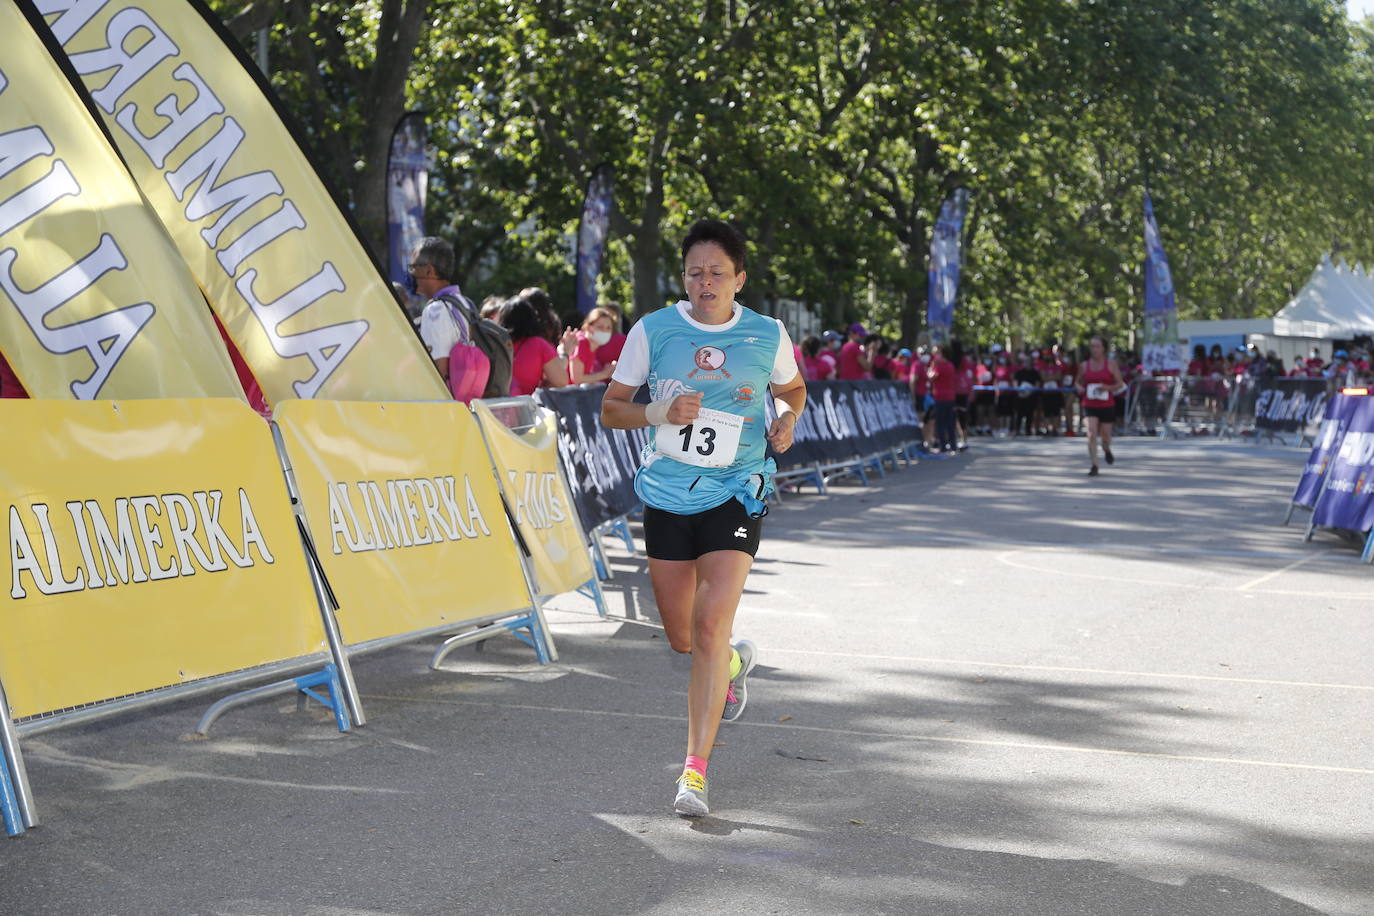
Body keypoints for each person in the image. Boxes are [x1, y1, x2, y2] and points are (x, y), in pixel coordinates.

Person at [599, 219, 806, 818]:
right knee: (685, 637)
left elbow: (794, 391)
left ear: (739, 278)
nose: (705, 282)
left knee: (712, 625)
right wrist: (659, 409)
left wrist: (787, 422)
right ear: (683, 277)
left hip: (738, 488)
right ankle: (736, 663)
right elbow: (611, 410)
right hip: (667, 493)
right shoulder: (654, 330)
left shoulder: (767, 334)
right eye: (695, 272)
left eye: (717, 273)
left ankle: (694, 773)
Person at [410, 237, 472, 388]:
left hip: (446, 403)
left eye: (414, 267)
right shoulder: (463, 302)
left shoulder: (435, 310)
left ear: (429, 270)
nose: (411, 273)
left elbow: (439, 372)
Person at [498, 295, 578, 395]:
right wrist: (565, 353)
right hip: (522, 406)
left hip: (493, 405)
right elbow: (561, 381)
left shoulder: (496, 343)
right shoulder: (538, 344)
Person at [1076, 335, 1125, 476]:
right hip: (1089, 403)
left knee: (1105, 437)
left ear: (1103, 349)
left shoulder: (1111, 364)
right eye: (1092, 346)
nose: (1094, 349)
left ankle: (1107, 450)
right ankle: (1094, 465)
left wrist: (1107, 388)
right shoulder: (1084, 365)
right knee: (1091, 434)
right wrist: (1079, 387)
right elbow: (1077, 382)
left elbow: (1120, 384)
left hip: (1107, 405)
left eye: (1097, 346)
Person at [570, 307, 620, 383]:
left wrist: (608, 370)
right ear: (588, 328)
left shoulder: (592, 346)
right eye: (600, 327)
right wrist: (604, 374)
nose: (605, 331)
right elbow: (577, 379)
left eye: (608, 328)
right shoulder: (581, 343)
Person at [927, 343, 958, 452]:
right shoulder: (951, 365)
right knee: (950, 423)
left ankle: (943, 446)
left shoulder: (939, 366)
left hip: (940, 397)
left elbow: (931, 377)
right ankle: (953, 445)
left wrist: (931, 367)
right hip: (950, 397)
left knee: (940, 423)